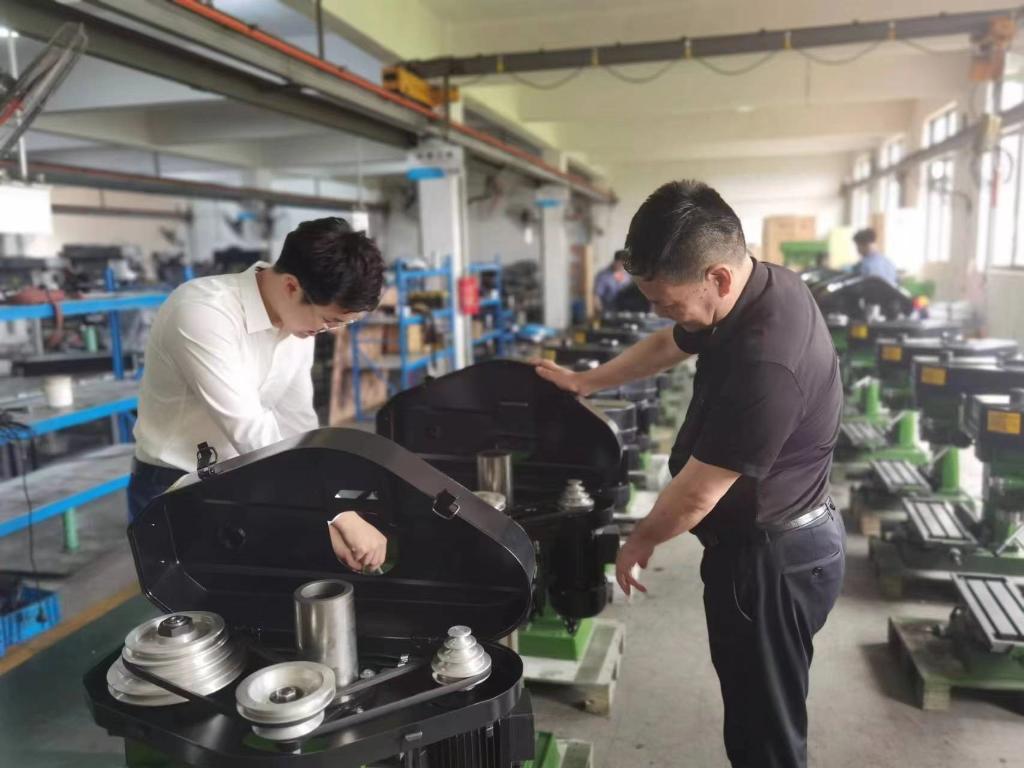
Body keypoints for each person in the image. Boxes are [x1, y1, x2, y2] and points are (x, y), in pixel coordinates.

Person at [534, 180, 845, 768]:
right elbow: (666, 345)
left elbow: (697, 494)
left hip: (771, 564)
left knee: (765, 735)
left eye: (668, 302)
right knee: (756, 714)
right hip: (775, 546)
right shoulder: (760, 285)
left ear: (717, 277)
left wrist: (639, 541)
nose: (661, 312)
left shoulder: (767, 362)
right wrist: (585, 382)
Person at [128, 217, 388, 572]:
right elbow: (251, 429)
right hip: (174, 486)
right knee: (196, 600)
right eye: (330, 320)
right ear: (292, 286)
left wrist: (326, 512)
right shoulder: (203, 313)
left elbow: (298, 425)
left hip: (246, 475)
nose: (331, 331)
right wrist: (340, 514)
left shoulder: (297, 324)